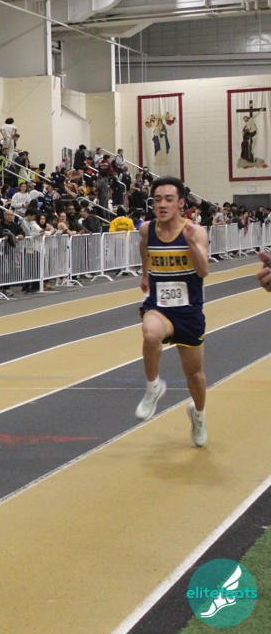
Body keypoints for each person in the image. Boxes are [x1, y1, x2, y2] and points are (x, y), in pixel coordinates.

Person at [135, 176, 209, 448]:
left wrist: (191, 244)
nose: (162, 205)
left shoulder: (196, 232)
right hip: (159, 306)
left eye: (168, 199)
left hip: (188, 311)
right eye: (157, 200)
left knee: (195, 375)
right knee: (150, 333)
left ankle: (198, 415)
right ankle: (153, 386)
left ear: (181, 203)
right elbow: (144, 247)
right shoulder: (147, 229)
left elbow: (203, 271)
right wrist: (145, 272)